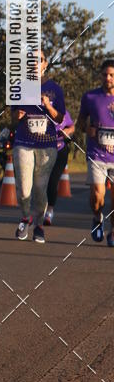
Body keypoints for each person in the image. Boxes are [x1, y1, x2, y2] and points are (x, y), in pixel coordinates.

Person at [11, 49, 65, 243]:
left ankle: (39, 225)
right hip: (23, 142)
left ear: (45, 64)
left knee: (41, 189)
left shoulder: (55, 89)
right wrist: (17, 115)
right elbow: (12, 117)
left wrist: (48, 106)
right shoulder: (18, 87)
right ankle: (26, 217)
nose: (34, 62)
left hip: (47, 145)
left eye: (38, 59)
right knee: (24, 189)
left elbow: (60, 118)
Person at [77, 59, 114, 245]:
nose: (108, 78)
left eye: (111, 75)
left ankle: (113, 231)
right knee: (98, 195)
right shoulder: (90, 97)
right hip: (97, 154)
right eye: (105, 74)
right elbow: (80, 122)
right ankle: (97, 217)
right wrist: (87, 129)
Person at [44, 109, 75, 225]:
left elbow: (72, 126)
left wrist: (68, 130)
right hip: (42, 152)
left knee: (53, 181)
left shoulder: (63, 111)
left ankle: (49, 211)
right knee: (40, 182)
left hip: (60, 151)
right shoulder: (38, 110)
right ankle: (41, 207)